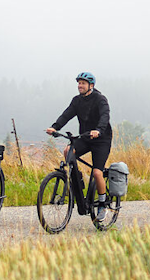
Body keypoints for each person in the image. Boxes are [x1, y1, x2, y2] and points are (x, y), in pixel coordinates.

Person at [46, 72, 114, 221]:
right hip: (85, 137)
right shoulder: (77, 101)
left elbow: (105, 116)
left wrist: (99, 130)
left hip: (101, 139)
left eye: (83, 83)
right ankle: (77, 179)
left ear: (91, 85)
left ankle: (103, 203)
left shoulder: (100, 99)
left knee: (97, 173)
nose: (79, 86)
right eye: (79, 83)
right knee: (68, 150)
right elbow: (67, 114)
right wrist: (54, 127)